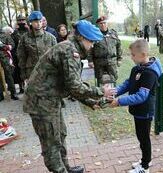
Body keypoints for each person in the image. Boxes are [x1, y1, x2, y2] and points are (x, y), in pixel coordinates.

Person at [23, 19, 113, 173]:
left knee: (60, 134)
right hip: (41, 101)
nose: (92, 46)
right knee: (51, 142)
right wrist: (100, 91)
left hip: (51, 99)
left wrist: (92, 102)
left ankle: (66, 168)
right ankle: (60, 170)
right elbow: (75, 86)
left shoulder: (71, 49)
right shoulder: (70, 51)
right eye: (91, 42)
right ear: (81, 38)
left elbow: (71, 86)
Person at [107, 39, 163, 173]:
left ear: (143, 55)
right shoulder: (137, 68)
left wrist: (119, 102)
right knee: (141, 136)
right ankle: (145, 159)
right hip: (138, 111)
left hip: (145, 111)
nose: (131, 57)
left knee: (144, 138)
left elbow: (141, 96)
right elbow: (128, 83)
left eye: (133, 54)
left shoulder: (149, 73)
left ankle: (145, 167)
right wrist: (115, 92)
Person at [17, 11, 57, 82]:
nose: (38, 24)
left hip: (49, 72)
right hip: (32, 73)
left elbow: (56, 56)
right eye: (35, 22)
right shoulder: (24, 38)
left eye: (40, 21)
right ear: (31, 22)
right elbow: (21, 57)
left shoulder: (51, 38)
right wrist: (24, 75)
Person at [88, 16, 122, 86]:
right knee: (100, 81)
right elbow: (90, 48)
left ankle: (113, 95)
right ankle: (101, 95)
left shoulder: (113, 33)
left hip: (112, 61)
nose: (103, 25)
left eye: (104, 23)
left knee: (113, 79)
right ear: (98, 25)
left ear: (107, 23)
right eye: (101, 23)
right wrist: (90, 60)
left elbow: (118, 46)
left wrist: (119, 58)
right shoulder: (94, 34)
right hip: (99, 62)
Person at [11, 15, 29, 94]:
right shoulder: (15, 32)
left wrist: (29, 28)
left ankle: (29, 86)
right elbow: (12, 42)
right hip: (18, 55)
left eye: (23, 20)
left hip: (28, 54)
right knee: (19, 71)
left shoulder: (28, 30)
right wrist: (15, 30)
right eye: (19, 20)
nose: (21, 22)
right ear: (17, 21)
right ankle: (21, 87)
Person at [0, 28, 18, 101]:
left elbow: (12, 44)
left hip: (5, 58)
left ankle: (13, 93)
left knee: (9, 75)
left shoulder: (5, 36)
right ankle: (0, 95)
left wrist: (6, 47)